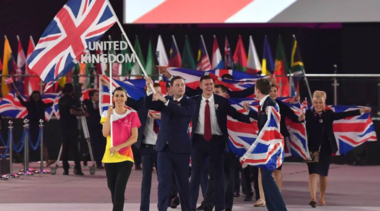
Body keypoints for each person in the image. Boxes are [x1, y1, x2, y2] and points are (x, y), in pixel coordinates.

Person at [190, 75, 255, 211]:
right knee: (195, 177)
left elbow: (235, 114)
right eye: (206, 84)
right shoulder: (194, 102)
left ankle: (219, 208)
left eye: (211, 84)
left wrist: (251, 118)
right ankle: (190, 206)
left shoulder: (222, 101)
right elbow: (181, 112)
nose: (209, 87)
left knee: (219, 177)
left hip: (217, 142)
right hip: (198, 142)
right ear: (201, 86)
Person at [299, 91, 370, 208]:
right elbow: (297, 120)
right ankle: (313, 198)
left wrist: (360, 111)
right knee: (313, 173)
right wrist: (300, 118)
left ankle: (321, 197)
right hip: (311, 148)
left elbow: (343, 115)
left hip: (326, 148)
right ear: (313, 103)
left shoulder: (328, 114)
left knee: (323, 174)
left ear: (324, 103)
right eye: (315, 102)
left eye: (320, 102)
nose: (317, 105)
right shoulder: (308, 114)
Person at [147, 76, 196, 211]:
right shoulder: (165, 100)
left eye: (183, 85)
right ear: (171, 88)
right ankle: (162, 208)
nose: (181, 87)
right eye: (178, 85)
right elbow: (150, 104)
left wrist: (165, 101)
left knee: (183, 184)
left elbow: (182, 112)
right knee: (163, 183)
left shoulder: (189, 103)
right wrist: (149, 90)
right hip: (164, 149)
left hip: (181, 150)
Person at [243, 78, 287, 211]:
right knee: (266, 179)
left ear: (257, 90)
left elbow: (272, 124)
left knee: (267, 178)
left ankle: (280, 208)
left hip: (269, 148)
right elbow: (263, 120)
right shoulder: (264, 104)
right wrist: (250, 111)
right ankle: (274, 208)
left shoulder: (269, 104)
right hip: (267, 147)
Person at [101, 87, 141, 211]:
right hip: (110, 157)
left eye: (121, 96)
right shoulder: (106, 113)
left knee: (119, 189)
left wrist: (118, 147)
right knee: (112, 189)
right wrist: (108, 116)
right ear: (113, 98)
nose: (119, 98)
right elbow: (105, 133)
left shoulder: (132, 114)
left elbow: (134, 138)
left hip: (125, 157)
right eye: (117, 95)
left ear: (126, 98)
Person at [269, 84, 302, 192]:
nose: (273, 93)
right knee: (266, 169)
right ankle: (264, 195)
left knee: (277, 168)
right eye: (271, 91)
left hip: (279, 139)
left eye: (275, 91)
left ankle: (278, 193)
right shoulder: (262, 105)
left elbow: (295, 118)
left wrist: (300, 118)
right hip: (266, 139)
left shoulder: (283, 106)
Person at [16, 90, 54, 167]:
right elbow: (23, 103)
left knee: (43, 144)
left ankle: (47, 160)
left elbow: (50, 104)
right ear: (32, 97)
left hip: (40, 127)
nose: (36, 97)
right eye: (34, 96)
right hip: (31, 126)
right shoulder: (30, 104)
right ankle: (25, 161)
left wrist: (56, 101)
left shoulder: (41, 104)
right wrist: (18, 96)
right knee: (28, 144)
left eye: (37, 96)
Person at [140, 83, 162, 211]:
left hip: (162, 149)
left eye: (158, 91)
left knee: (164, 181)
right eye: (152, 91)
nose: (155, 94)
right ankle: (144, 208)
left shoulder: (165, 106)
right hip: (147, 148)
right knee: (146, 180)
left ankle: (163, 206)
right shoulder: (144, 106)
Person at [58, 84, 87, 175]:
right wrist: (83, 114)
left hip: (63, 126)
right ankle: (77, 168)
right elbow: (72, 111)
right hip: (71, 126)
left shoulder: (61, 100)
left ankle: (65, 169)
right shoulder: (71, 100)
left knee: (65, 148)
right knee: (75, 148)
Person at [83, 90, 105, 169]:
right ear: (91, 96)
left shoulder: (101, 103)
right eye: (96, 95)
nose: (98, 97)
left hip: (100, 126)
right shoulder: (87, 103)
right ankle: (98, 163)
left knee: (102, 145)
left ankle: (87, 156)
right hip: (92, 127)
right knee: (95, 145)